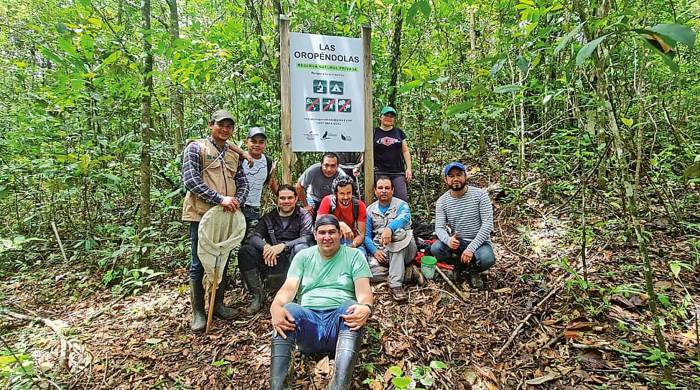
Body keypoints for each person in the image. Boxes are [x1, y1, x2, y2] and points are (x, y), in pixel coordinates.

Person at [269, 214, 373, 390]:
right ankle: (278, 386)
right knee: (287, 310)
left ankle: (340, 384)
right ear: (315, 235)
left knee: (352, 308)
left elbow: (364, 291)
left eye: (332, 232)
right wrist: (275, 307)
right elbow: (288, 288)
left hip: (340, 325)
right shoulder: (303, 256)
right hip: (309, 322)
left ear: (340, 234)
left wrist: (366, 308)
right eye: (322, 232)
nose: (327, 237)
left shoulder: (354, 256)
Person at [181, 109, 249, 332]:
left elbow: (242, 180)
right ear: (211, 125)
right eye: (221, 124)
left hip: (226, 215)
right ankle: (199, 311)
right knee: (199, 262)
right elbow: (190, 180)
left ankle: (218, 304)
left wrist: (238, 199)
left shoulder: (233, 153)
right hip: (201, 213)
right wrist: (219, 198)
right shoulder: (196, 148)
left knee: (223, 257)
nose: (225, 129)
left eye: (229, 126)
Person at [237, 184, 313, 314]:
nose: (286, 201)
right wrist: (266, 247)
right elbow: (254, 237)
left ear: (296, 199)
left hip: (292, 260)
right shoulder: (269, 217)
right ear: (277, 199)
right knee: (245, 251)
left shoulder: (303, 215)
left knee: (302, 249)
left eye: (290, 198)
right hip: (271, 260)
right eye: (282, 198)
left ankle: (298, 295)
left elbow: (307, 238)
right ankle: (258, 296)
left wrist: (283, 246)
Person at [430, 162, 495, 289]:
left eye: (459, 175)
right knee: (436, 248)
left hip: (479, 242)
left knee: (487, 259)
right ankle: (458, 266)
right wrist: (448, 240)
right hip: (458, 243)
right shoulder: (442, 201)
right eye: (451, 176)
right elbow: (439, 227)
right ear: (446, 179)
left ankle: (473, 270)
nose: (455, 179)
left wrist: (471, 248)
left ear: (466, 176)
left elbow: (487, 224)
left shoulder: (480, 195)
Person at [364, 176, 422, 302]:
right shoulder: (370, 210)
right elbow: (366, 236)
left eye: (387, 188)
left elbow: (404, 219)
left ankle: (396, 285)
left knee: (398, 234)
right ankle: (406, 273)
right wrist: (375, 251)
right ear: (375, 191)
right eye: (380, 188)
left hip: (405, 248)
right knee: (363, 273)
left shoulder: (402, 205)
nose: (383, 191)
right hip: (383, 253)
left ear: (392, 190)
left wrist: (389, 228)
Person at [241, 126, 278, 236]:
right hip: (236, 207)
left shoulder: (268, 162)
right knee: (229, 242)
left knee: (250, 244)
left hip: (254, 209)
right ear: (246, 142)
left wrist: (285, 198)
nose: (257, 145)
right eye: (253, 141)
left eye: (261, 142)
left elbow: (271, 183)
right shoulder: (238, 158)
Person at [317, 176, 367, 255]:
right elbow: (319, 224)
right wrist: (339, 224)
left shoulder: (359, 205)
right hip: (330, 239)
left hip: (352, 240)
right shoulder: (328, 201)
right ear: (336, 194)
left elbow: (361, 234)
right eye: (342, 194)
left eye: (348, 193)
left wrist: (352, 245)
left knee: (361, 255)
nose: (346, 197)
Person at [373, 106, 412, 202]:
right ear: (380, 117)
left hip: (397, 171)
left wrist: (409, 169)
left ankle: (401, 217)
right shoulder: (373, 132)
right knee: (382, 199)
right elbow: (367, 151)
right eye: (386, 115)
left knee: (401, 200)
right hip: (379, 171)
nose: (389, 118)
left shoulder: (399, 132)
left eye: (391, 116)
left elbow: (405, 151)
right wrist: (360, 165)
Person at [295, 152, 349, 216]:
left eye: (333, 166)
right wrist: (306, 205)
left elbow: (346, 192)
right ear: (321, 164)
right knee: (307, 215)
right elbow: (299, 186)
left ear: (337, 166)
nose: (329, 169)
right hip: (313, 198)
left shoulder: (341, 175)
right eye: (326, 165)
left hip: (331, 200)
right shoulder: (313, 170)